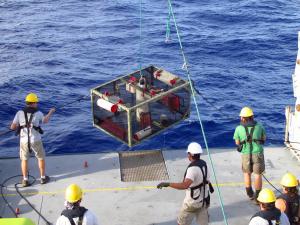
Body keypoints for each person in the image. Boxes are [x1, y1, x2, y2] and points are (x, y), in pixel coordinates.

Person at [157, 142, 213, 225]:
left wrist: (168, 184)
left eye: (188, 153)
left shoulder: (192, 169)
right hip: (204, 200)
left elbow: (185, 185)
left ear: (190, 154)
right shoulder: (204, 164)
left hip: (193, 203)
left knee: (182, 223)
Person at [10, 93, 55, 187]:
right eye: (36, 102)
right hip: (36, 140)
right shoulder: (38, 113)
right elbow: (45, 121)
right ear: (33, 103)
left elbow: (12, 127)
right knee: (41, 158)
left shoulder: (19, 113)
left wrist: (20, 125)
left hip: (23, 141)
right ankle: (43, 178)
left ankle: (25, 180)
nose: (37, 104)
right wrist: (51, 112)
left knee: (24, 160)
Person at [233, 107, 266, 202]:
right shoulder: (259, 126)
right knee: (257, 175)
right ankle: (258, 197)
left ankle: (250, 194)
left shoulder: (239, 128)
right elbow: (264, 139)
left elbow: (237, 142)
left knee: (247, 174)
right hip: (258, 154)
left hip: (246, 154)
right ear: (252, 116)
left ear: (243, 118)